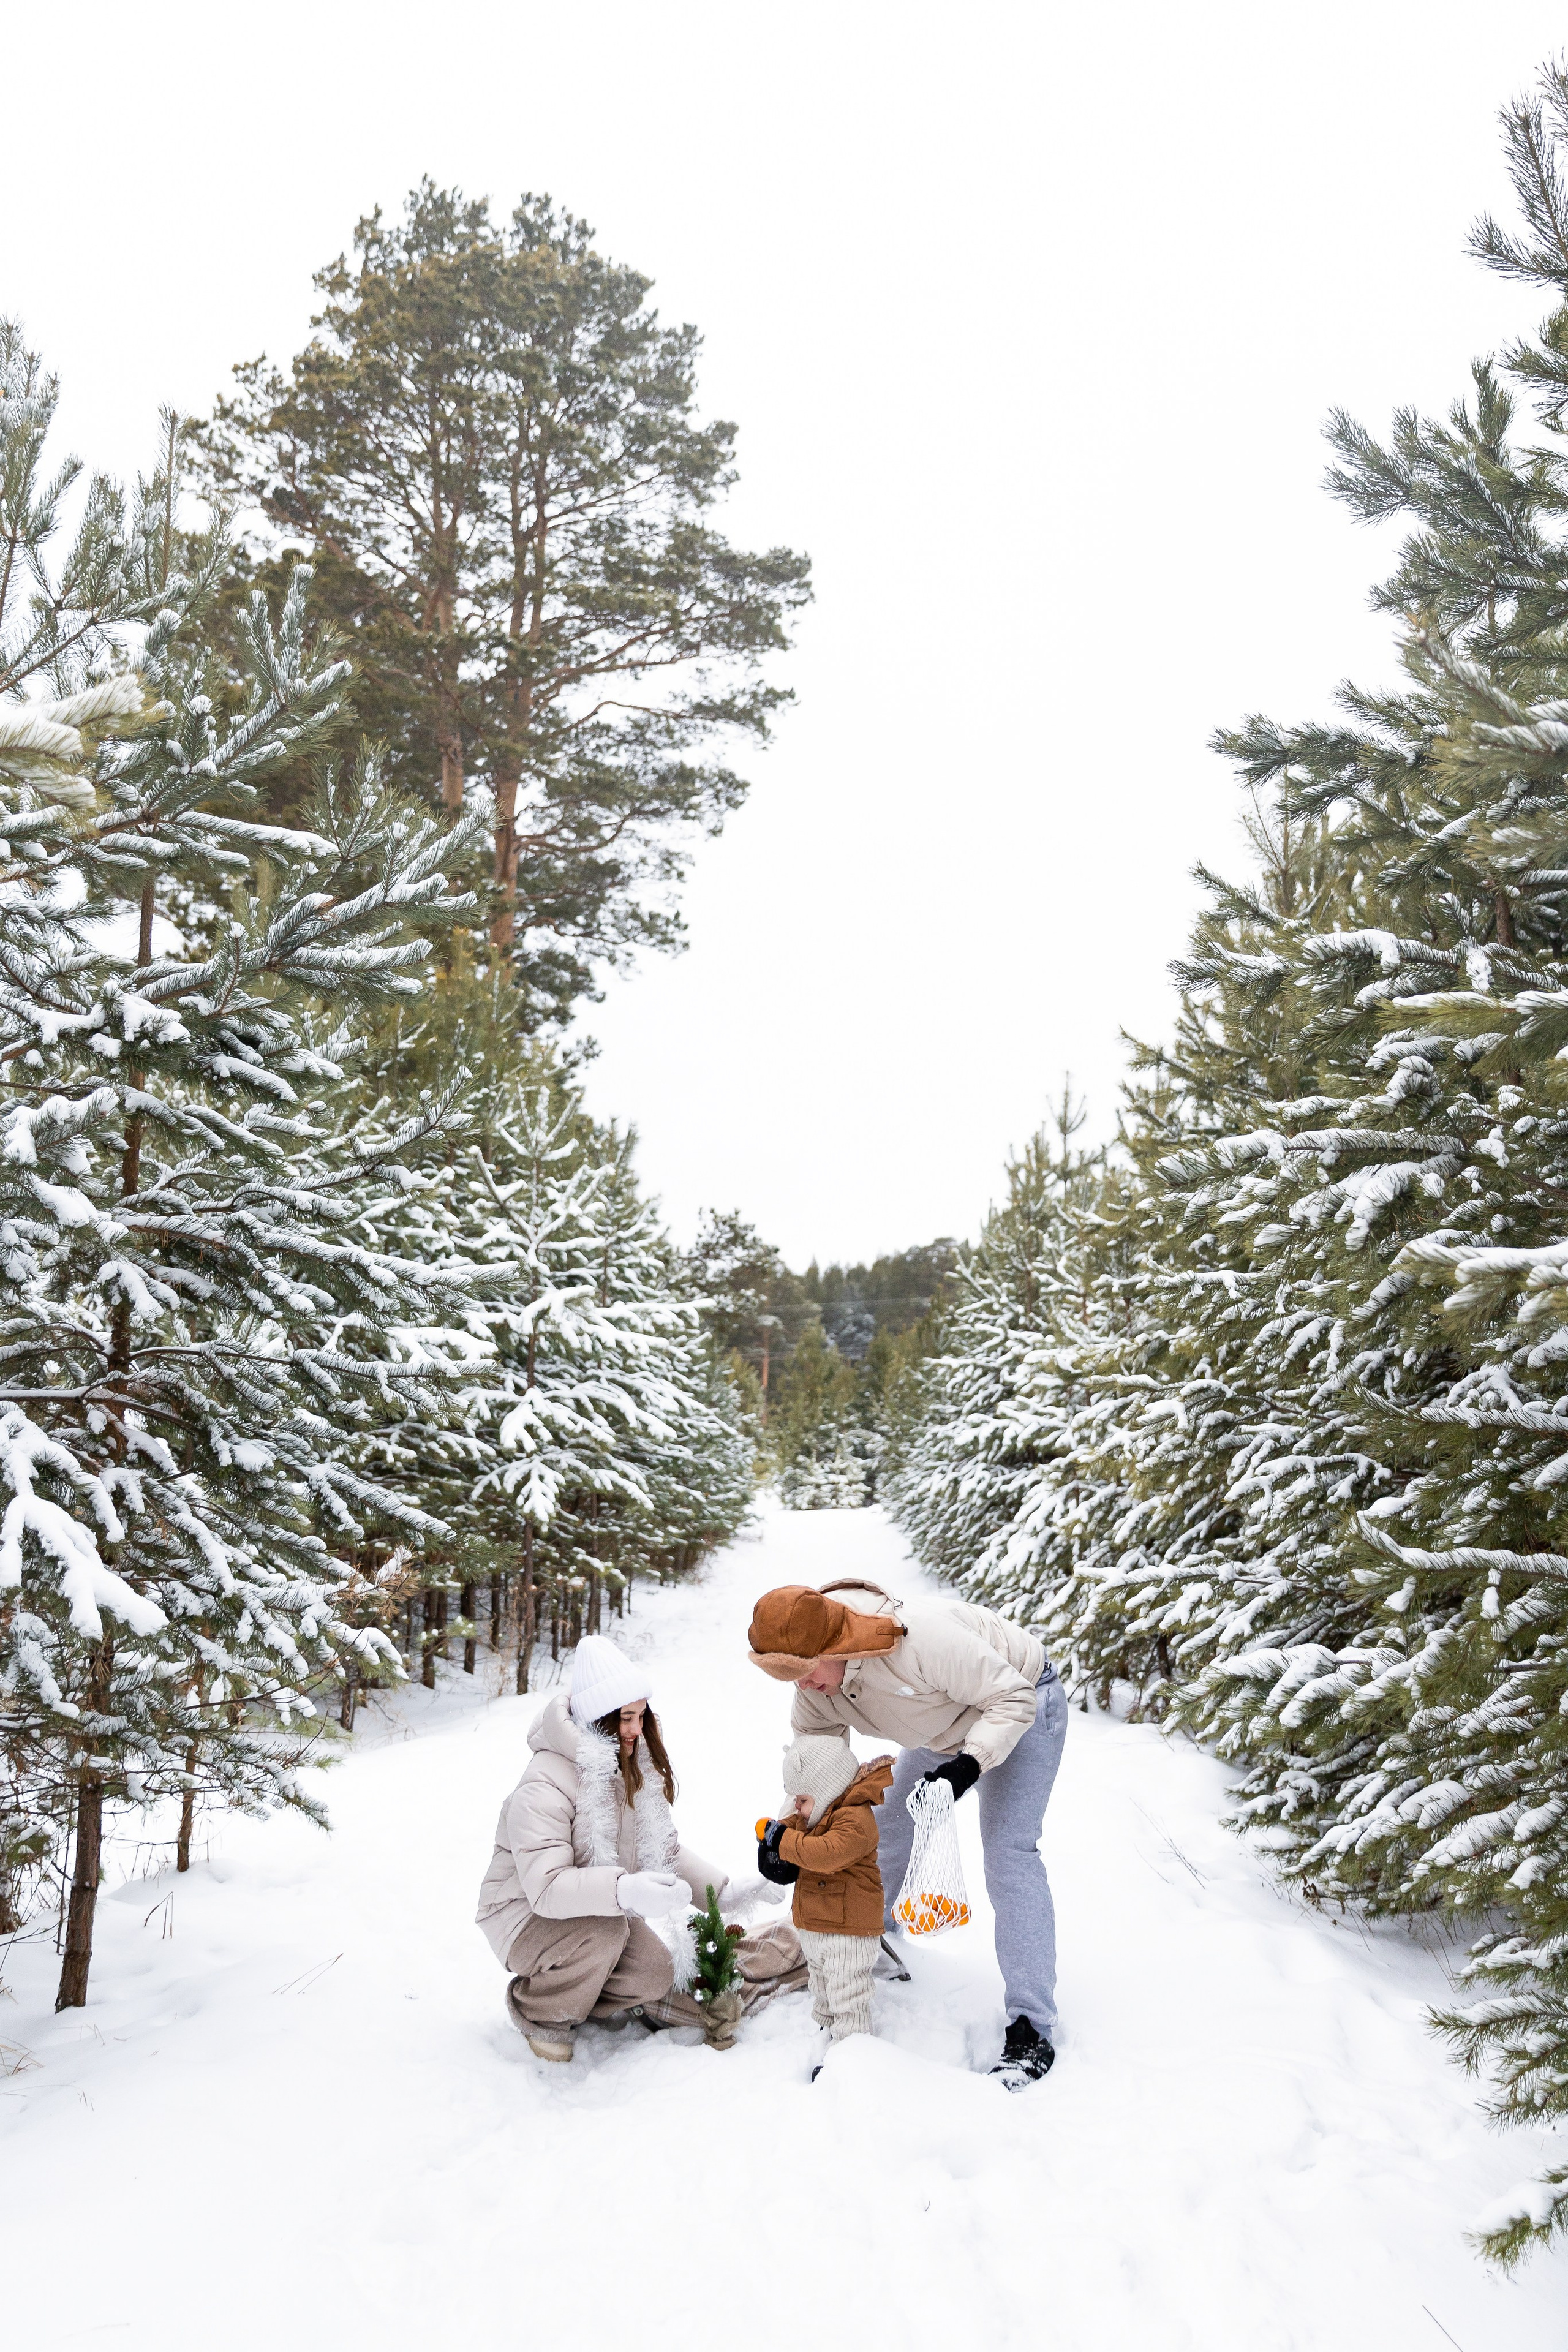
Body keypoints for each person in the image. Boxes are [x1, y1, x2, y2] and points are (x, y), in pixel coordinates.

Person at [748, 1576, 1066, 2087]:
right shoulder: (814, 1688)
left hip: (1017, 1705)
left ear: (834, 1645)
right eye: (790, 1677)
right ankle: (868, 1938)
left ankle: (1033, 2023)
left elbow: (1013, 1698)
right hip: (936, 1729)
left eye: (806, 1672)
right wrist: (787, 1836)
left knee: (1009, 1853)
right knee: (884, 1824)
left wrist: (967, 1768)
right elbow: (814, 1771)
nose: (802, 1686)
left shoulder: (919, 1641)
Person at [477, 1632, 801, 2062]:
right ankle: (541, 2010)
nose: (635, 1730)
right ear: (598, 1718)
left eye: (641, 1717)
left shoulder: (628, 1767)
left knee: (655, 1975)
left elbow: (663, 1847)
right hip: (523, 1916)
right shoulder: (545, 1782)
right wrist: (623, 1891)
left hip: (594, 1915)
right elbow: (546, 1888)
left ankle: (579, 1990)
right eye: (625, 1718)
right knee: (607, 1932)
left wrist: (721, 1893)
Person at [760, 1735, 894, 2077]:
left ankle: (851, 2049)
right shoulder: (816, 1815)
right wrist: (773, 1841)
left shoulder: (856, 1820)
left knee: (847, 1989)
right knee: (822, 1985)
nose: (798, 1808)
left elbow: (826, 1854)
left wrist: (784, 1841)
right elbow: (795, 1828)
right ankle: (828, 2031)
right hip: (819, 1925)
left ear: (827, 1788)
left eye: (802, 1800)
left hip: (848, 1929)